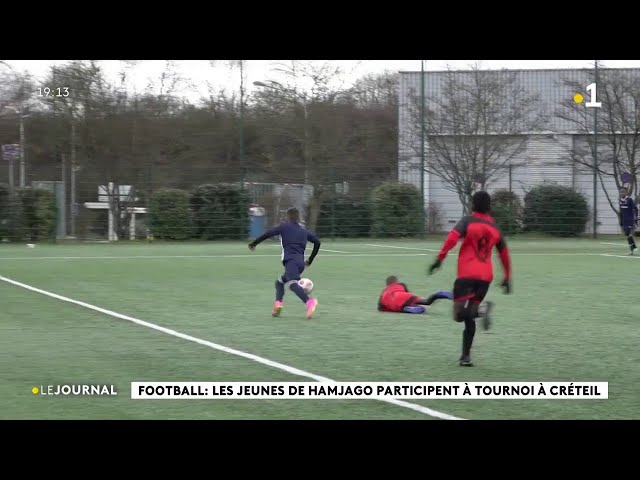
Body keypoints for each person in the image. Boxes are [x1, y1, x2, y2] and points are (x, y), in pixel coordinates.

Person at [428, 191, 512, 367]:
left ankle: (481, 311)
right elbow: (504, 253)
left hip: (467, 274)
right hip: (485, 277)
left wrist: (439, 259)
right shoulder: (495, 228)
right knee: (469, 319)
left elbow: (451, 238)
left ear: (472, 204)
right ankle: (466, 357)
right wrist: (507, 277)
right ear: (489, 207)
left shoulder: (468, 221)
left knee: (459, 315)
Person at [248, 207, 320, 319]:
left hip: (290, 261)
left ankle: (310, 302)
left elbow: (268, 233)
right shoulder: (303, 231)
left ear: (288, 216)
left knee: (292, 285)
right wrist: (310, 260)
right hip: (300, 263)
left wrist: (254, 243)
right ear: (298, 218)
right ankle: (278, 305)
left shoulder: (284, 227)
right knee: (279, 283)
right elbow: (317, 242)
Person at [377, 276, 453, 314]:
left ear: (387, 284)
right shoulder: (401, 285)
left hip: (395, 304)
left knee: (400, 307)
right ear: (396, 282)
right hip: (404, 296)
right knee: (427, 301)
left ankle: (408, 308)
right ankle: (438, 294)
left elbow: (380, 308)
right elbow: (407, 294)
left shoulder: (383, 293)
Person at [619, 188, 637, 255]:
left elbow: (635, 208)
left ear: (626, 193)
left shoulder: (629, 200)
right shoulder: (621, 201)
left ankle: (631, 250)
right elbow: (621, 212)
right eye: (621, 192)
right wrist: (621, 222)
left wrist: (635, 219)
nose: (621, 194)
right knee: (627, 235)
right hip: (624, 221)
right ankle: (634, 247)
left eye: (623, 192)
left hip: (630, 220)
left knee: (628, 233)